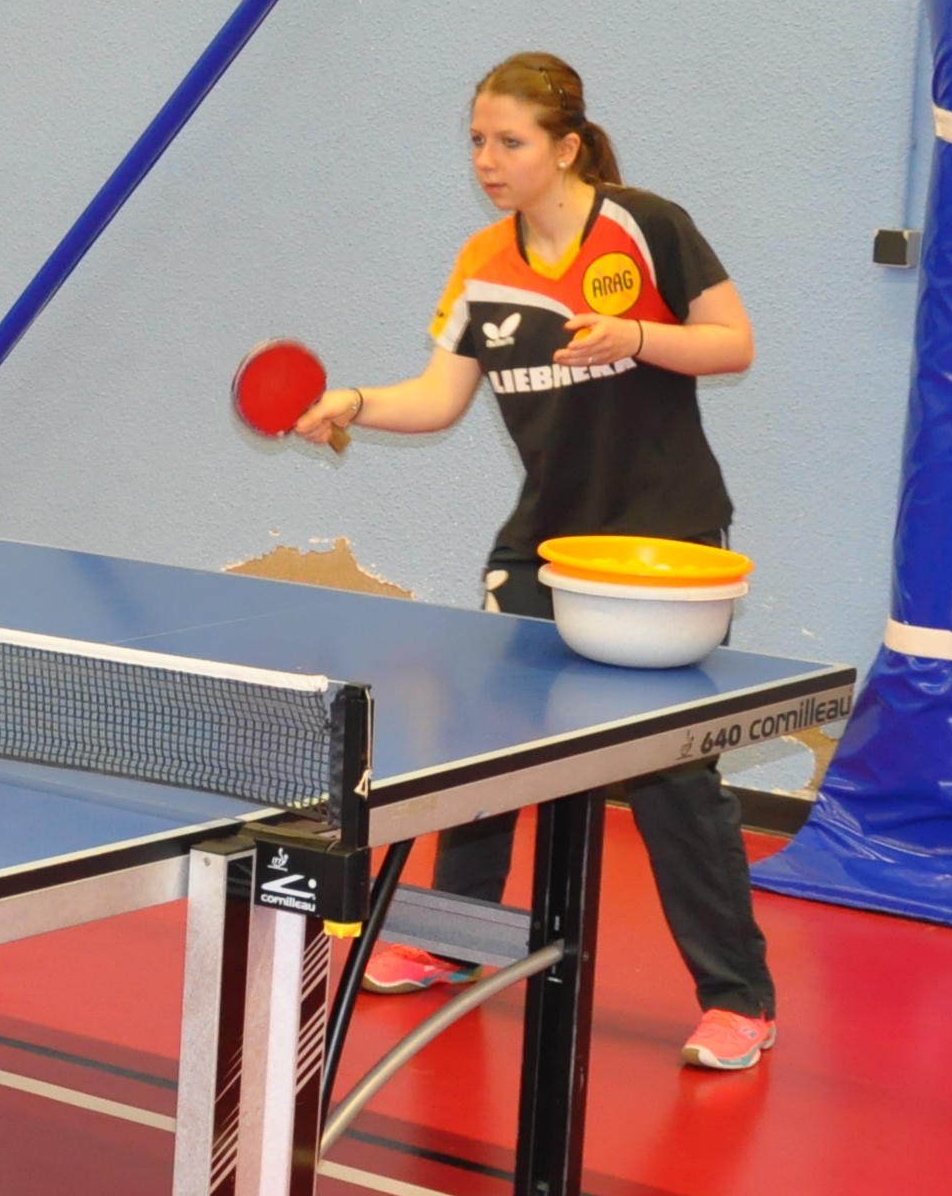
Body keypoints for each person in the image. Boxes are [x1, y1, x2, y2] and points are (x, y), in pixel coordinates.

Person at [302, 52, 779, 1073]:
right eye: (477, 140)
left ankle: (738, 999)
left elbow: (732, 342)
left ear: (564, 148)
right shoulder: (484, 260)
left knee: (670, 773)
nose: (487, 159)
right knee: (486, 745)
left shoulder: (645, 226)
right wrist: (354, 402)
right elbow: (438, 399)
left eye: (508, 141)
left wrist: (636, 335)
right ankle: (453, 937)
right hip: (544, 542)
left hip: (661, 539)